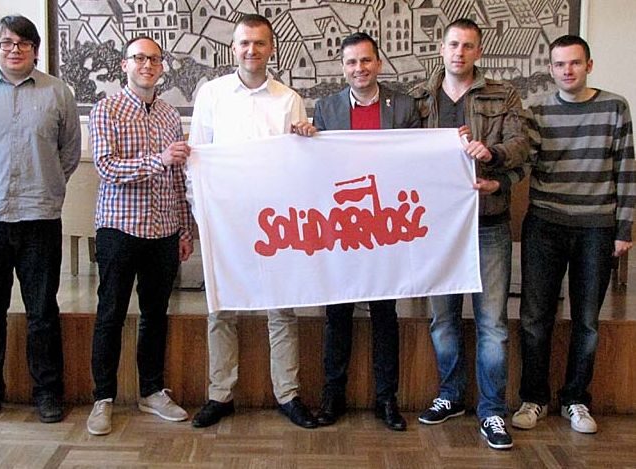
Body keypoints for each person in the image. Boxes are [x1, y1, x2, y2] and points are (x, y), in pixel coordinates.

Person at [189, 14, 317, 429]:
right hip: (224, 222)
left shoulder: (288, 99)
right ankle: (220, 394)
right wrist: (201, 214)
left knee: (281, 309)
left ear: (271, 48)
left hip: (275, 223)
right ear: (234, 47)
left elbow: (299, 164)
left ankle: (288, 394)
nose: (251, 50)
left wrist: (306, 139)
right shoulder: (211, 95)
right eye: (244, 42)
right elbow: (196, 159)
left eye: (260, 43)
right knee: (221, 309)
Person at [412, 18, 528, 450]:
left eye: (468, 46)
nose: (459, 52)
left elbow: (521, 145)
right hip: (436, 228)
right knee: (442, 320)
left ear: (478, 51)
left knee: (492, 324)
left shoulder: (504, 94)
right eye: (453, 45)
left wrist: (491, 155)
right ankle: (451, 395)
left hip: (488, 223)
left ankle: (492, 410)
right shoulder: (420, 99)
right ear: (441, 49)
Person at [512, 35, 634, 435]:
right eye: (560, 64)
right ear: (550, 69)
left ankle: (575, 400)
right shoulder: (536, 111)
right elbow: (522, 163)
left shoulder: (615, 107)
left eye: (575, 63)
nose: (568, 70)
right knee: (534, 318)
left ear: (589, 66)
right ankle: (534, 398)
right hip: (544, 225)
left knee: (586, 321)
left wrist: (624, 229)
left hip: (596, 228)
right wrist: (492, 175)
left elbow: (626, 170)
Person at [86, 36, 194, 436]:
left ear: (162, 67)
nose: (147, 65)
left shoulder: (169, 115)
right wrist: (158, 160)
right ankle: (103, 398)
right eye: (139, 58)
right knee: (110, 314)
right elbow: (106, 167)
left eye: (154, 59)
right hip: (119, 227)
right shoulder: (106, 109)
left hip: (164, 230)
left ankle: (151, 391)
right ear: (124, 65)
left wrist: (185, 229)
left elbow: (178, 175)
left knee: (155, 314)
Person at [311, 32, 420, 432]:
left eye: (366, 60)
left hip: (386, 227)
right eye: (352, 62)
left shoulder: (404, 106)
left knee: (384, 314)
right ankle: (333, 396)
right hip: (342, 228)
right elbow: (316, 165)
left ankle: (386, 399)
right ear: (343, 67)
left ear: (379, 63)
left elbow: (418, 160)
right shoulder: (326, 108)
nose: (359, 68)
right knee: (337, 314)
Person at [0, 15, 80, 424]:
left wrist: (47, 187)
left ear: (35, 50)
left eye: (23, 43)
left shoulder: (57, 92)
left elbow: (69, 153)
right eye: (6, 43)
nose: (14, 49)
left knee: (42, 313)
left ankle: (48, 393)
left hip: (39, 217)